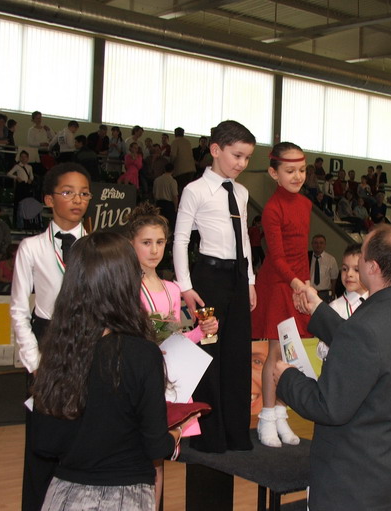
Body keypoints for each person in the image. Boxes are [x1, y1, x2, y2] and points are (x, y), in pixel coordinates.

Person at [274, 225, 391, 511]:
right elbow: (370, 354)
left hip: (353, 485)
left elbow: (328, 406)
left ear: (372, 267)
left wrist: (287, 378)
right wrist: (318, 309)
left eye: (362, 255)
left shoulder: (365, 327)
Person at [30, 231, 188, 511]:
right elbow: (156, 446)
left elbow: (44, 442)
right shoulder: (141, 354)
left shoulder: (59, 351)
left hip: (63, 496)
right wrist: (176, 433)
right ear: (126, 284)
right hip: (125, 496)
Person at [126, 202, 218, 511]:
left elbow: (176, 340)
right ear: (131, 243)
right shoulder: (125, 286)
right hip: (133, 377)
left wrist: (201, 332)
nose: (154, 250)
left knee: (157, 458)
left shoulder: (172, 288)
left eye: (160, 242)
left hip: (163, 380)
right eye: (146, 242)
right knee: (133, 453)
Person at [10, 163, 92, 511]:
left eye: (84, 193)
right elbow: (18, 310)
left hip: (90, 343)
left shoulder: (98, 246)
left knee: (85, 439)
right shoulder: (30, 247)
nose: (77, 200)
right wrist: (35, 363)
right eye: (68, 192)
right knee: (42, 442)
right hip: (47, 343)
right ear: (48, 199)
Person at [173, 119, 257, 453]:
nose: (242, 163)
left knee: (237, 354)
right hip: (208, 280)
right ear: (215, 150)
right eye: (237, 155)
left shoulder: (242, 192)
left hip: (238, 278)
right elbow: (180, 240)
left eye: (247, 158)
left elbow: (245, 238)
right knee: (209, 351)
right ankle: (209, 435)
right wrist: (185, 286)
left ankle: (236, 433)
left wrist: (250, 281)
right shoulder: (195, 190)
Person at [251, 142, 312, 448]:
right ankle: (266, 417)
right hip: (277, 285)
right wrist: (297, 284)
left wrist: (306, 284)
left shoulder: (306, 204)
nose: (297, 176)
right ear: (274, 173)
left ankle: (280, 414)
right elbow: (276, 257)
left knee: (289, 355)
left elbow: (301, 252)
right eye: (290, 171)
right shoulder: (273, 208)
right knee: (275, 353)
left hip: (297, 285)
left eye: (302, 170)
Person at [316, 243, 369, 361]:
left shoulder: (376, 302)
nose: (349, 274)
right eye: (345, 269)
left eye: (356, 270)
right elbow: (321, 351)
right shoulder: (334, 308)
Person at [309, 234, 339, 302]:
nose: (318, 245)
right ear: (312, 244)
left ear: (325, 245)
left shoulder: (331, 259)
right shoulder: (307, 257)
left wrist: (333, 291)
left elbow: (334, 278)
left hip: (324, 293)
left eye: (321, 243)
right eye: (316, 243)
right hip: (310, 292)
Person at [152, 163, 179, 234]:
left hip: (159, 203)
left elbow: (154, 193)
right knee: (169, 226)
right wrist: (176, 207)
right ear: (173, 170)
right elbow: (174, 196)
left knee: (160, 224)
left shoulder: (157, 180)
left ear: (164, 169)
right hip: (168, 205)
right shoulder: (172, 181)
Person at [7, 150, 35, 217]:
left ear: (27, 158)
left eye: (25, 157)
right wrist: (16, 177)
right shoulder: (17, 166)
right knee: (18, 202)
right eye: (22, 157)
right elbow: (9, 174)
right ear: (20, 158)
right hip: (20, 185)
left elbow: (31, 176)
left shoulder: (29, 167)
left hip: (27, 185)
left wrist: (30, 180)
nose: (23, 158)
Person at [170, 127, 196, 193]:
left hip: (180, 170)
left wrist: (170, 164)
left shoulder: (175, 142)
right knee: (187, 189)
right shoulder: (187, 142)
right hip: (191, 169)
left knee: (180, 190)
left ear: (175, 133)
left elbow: (173, 155)